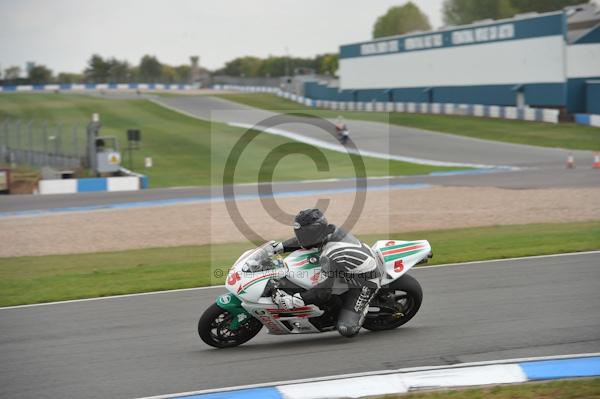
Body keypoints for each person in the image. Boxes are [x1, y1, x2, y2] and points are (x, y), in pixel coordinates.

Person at [269, 209, 380, 337]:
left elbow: (323, 293)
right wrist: (280, 247)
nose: (301, 238)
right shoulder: (328, 230)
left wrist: (294, 301)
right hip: (348, 266)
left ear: (315, 233)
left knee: (346, 329)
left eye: (305, 234)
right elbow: (303, 241)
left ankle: (362, 307)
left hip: (365, 280)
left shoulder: (330, 255)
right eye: (300, 233)